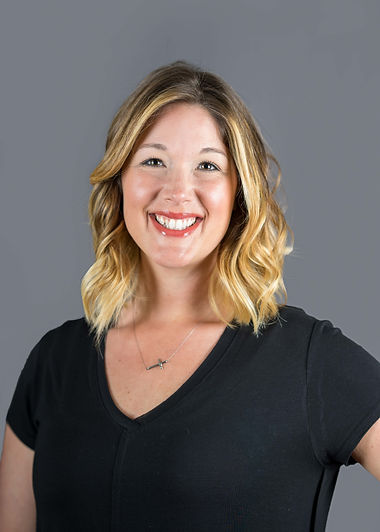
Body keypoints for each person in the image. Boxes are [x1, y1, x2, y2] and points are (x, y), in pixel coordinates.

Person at [0, 60, 379, 532]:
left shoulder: (308, 362)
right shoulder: (53, 363)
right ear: (119, 180)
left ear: (239, 193)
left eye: (207, 166)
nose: (178, 192)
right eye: (153, 160)